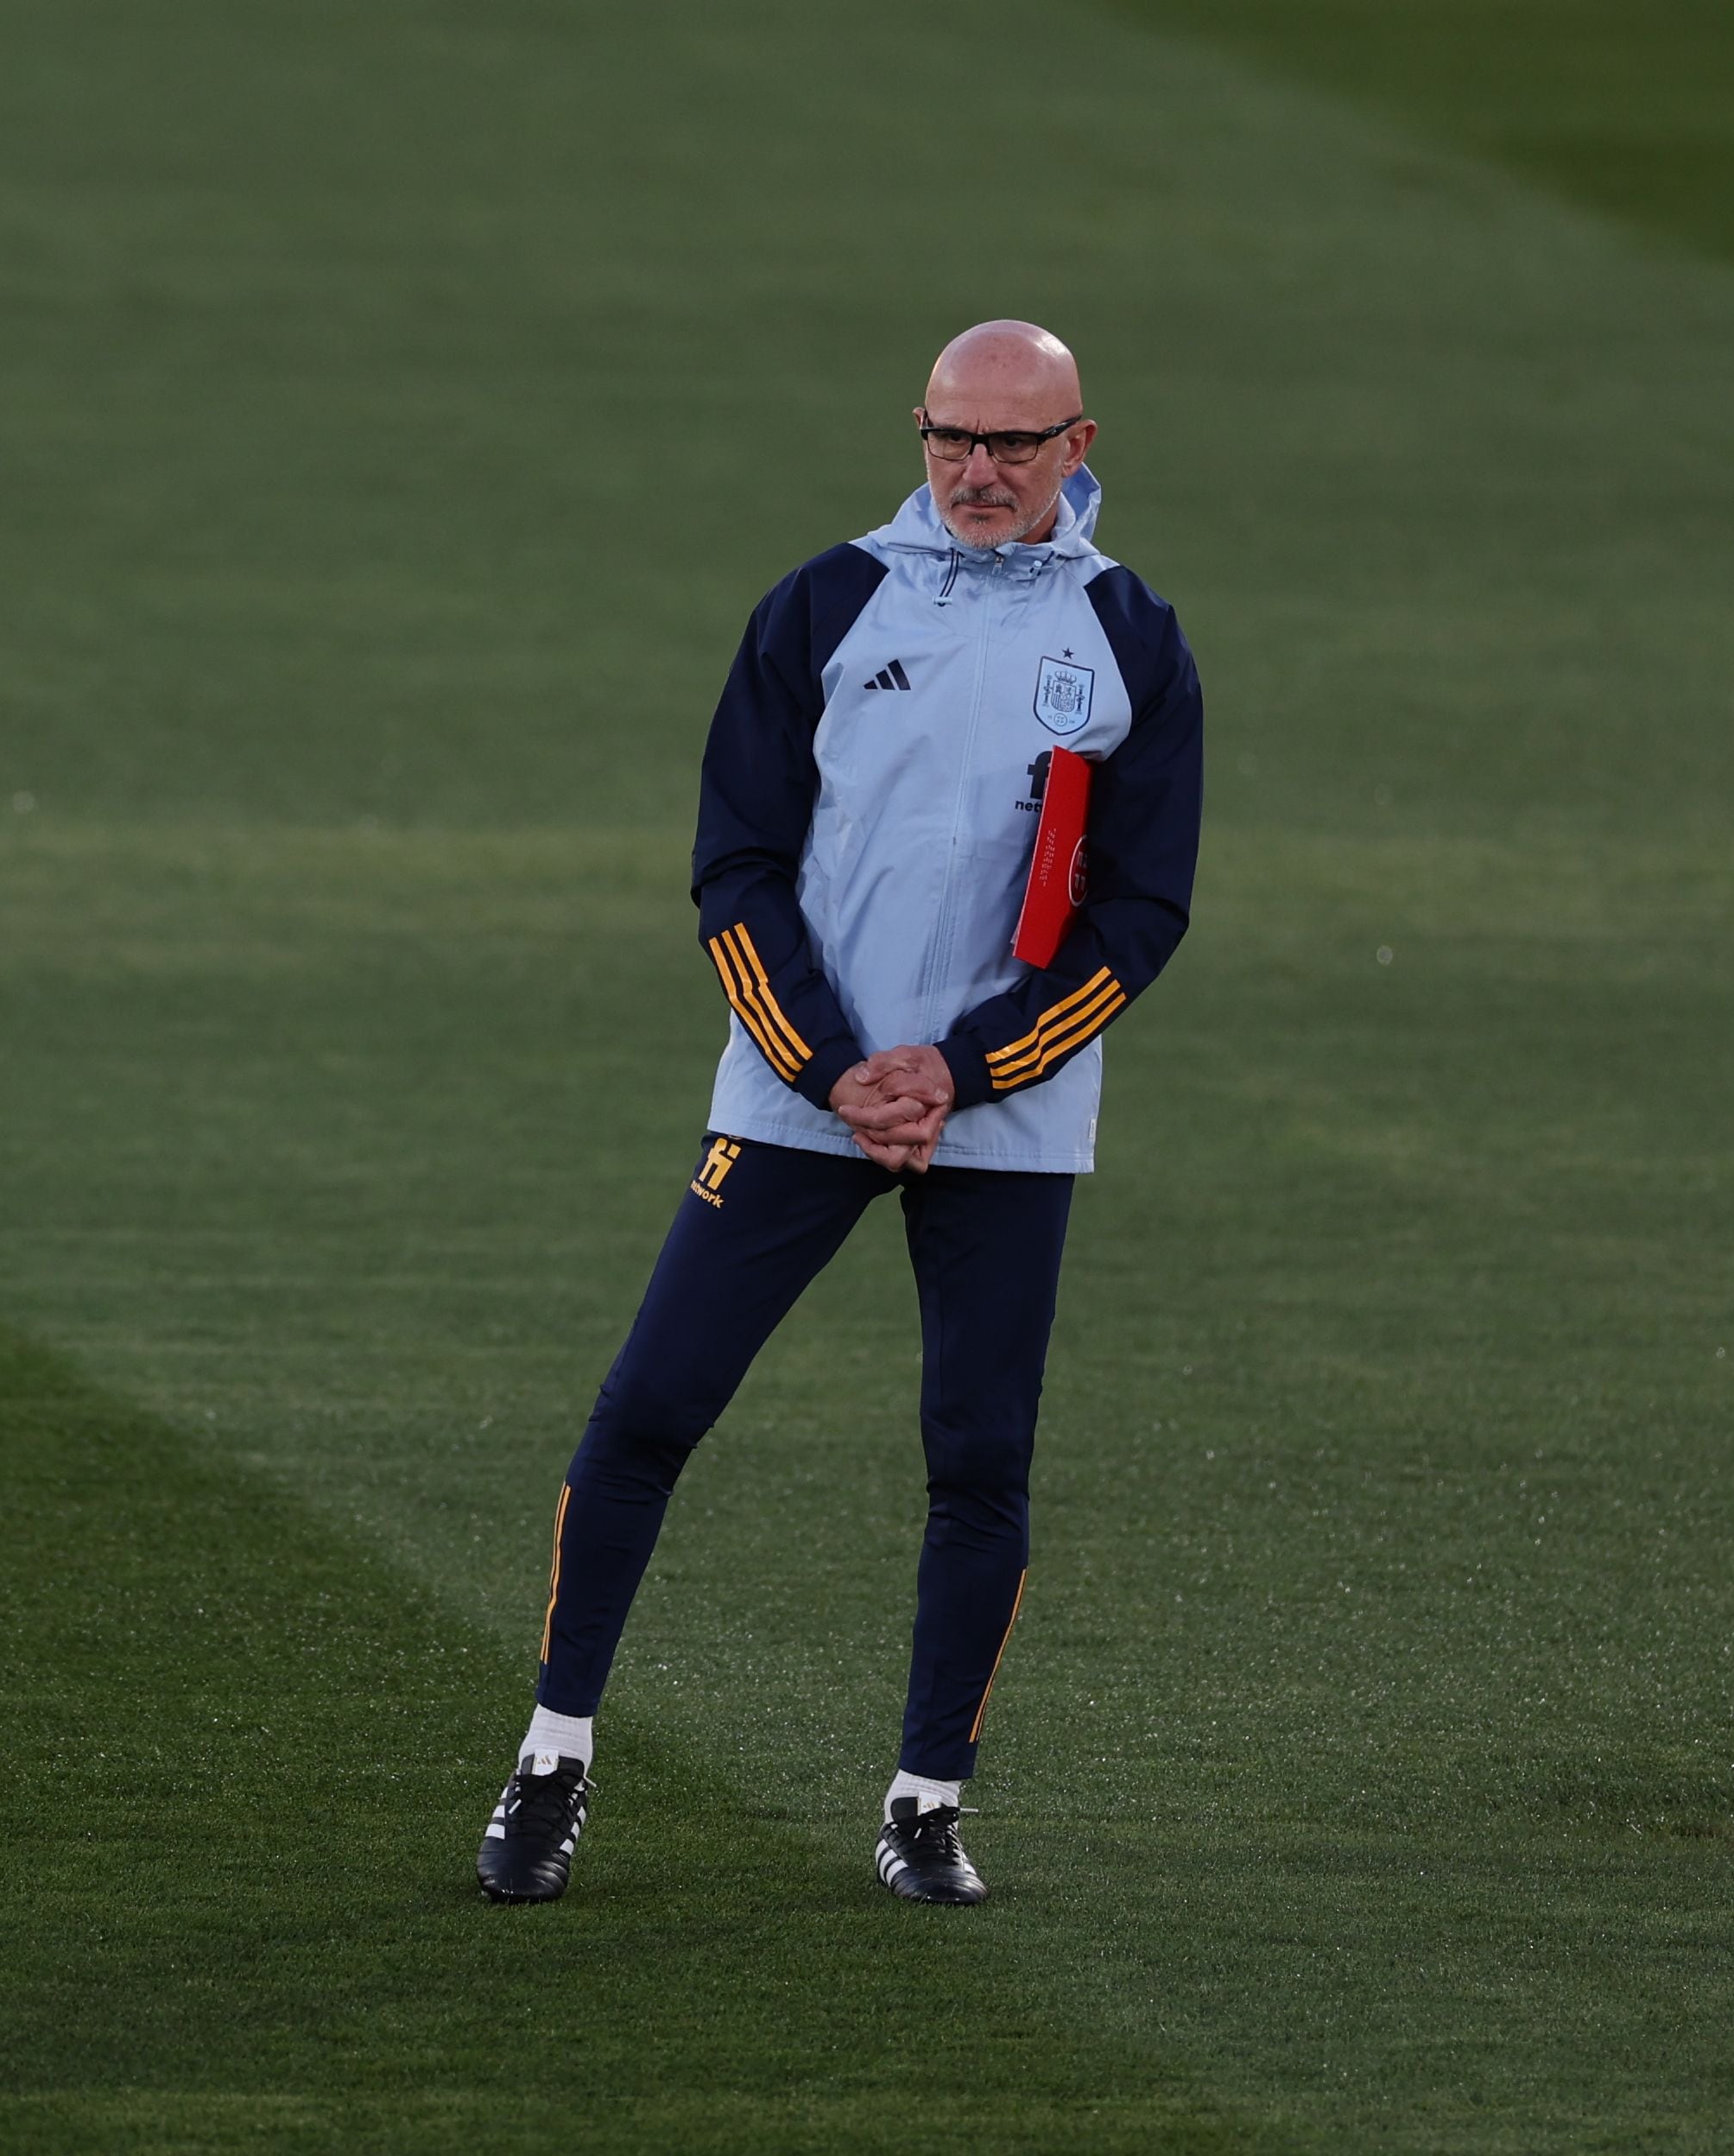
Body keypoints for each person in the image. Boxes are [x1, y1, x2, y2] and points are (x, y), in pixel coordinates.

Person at [476, 321, 1203, 1907]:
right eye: (952, 437)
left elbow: (1142, 909)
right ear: (921, 431)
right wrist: (834, 1068)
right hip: (804, 1093)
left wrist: (968, 1069)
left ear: (1079, 446)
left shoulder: (1132, 637)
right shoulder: (824, 601)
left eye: (1015, 444)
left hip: (1001, 1119)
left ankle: (926, 1802)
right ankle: (552, 1758)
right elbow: (735, 863)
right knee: (649, 1411)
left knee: (978, 1455)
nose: (978, 472)